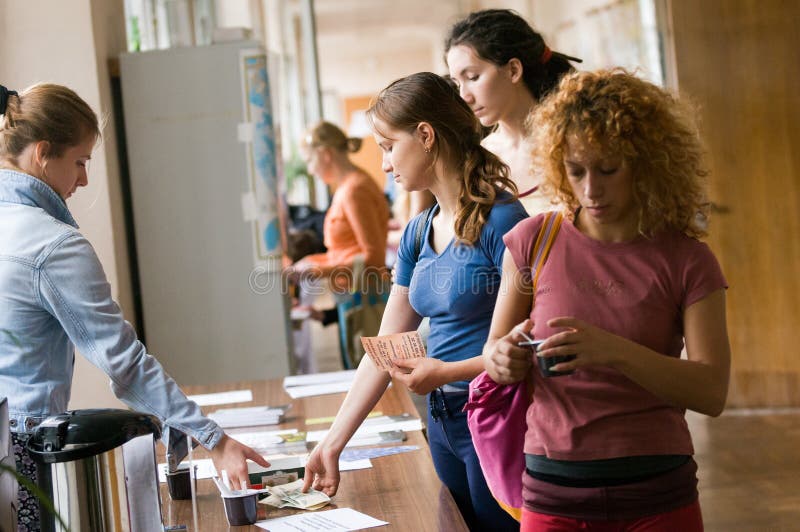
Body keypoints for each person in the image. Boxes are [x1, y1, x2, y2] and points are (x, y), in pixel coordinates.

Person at [0, 83, 268, 530]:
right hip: (27, 459)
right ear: (43, 153)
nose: (83, 180)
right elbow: (125, 365)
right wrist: (214, 440)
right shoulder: (52, 244)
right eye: (80, 162)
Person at [483, 69, 731, 531]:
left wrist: (613, 351)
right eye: (576, 171)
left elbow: (712, 391)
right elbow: (492, 353)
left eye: (609, 169)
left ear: (646, 163)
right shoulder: (531, 241)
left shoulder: (688, 259)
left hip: (658, 491)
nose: (591, 190)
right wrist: (504, 358)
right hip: (552, 491)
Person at [302, 72, 528, 531]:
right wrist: (332, 442)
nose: (384, 164)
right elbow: (389, 344)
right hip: (442, 422)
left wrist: (444, 373)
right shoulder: (418, 231)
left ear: (425, 135)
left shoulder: (503, 220)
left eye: (388, 146)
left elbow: (519, 348)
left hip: (494, 419)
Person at [445, 8, 581, 215]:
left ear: (513, 70)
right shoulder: (479, 159)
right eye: (457, 84)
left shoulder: (574, 139)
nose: (465, 96)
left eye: (472, 77)